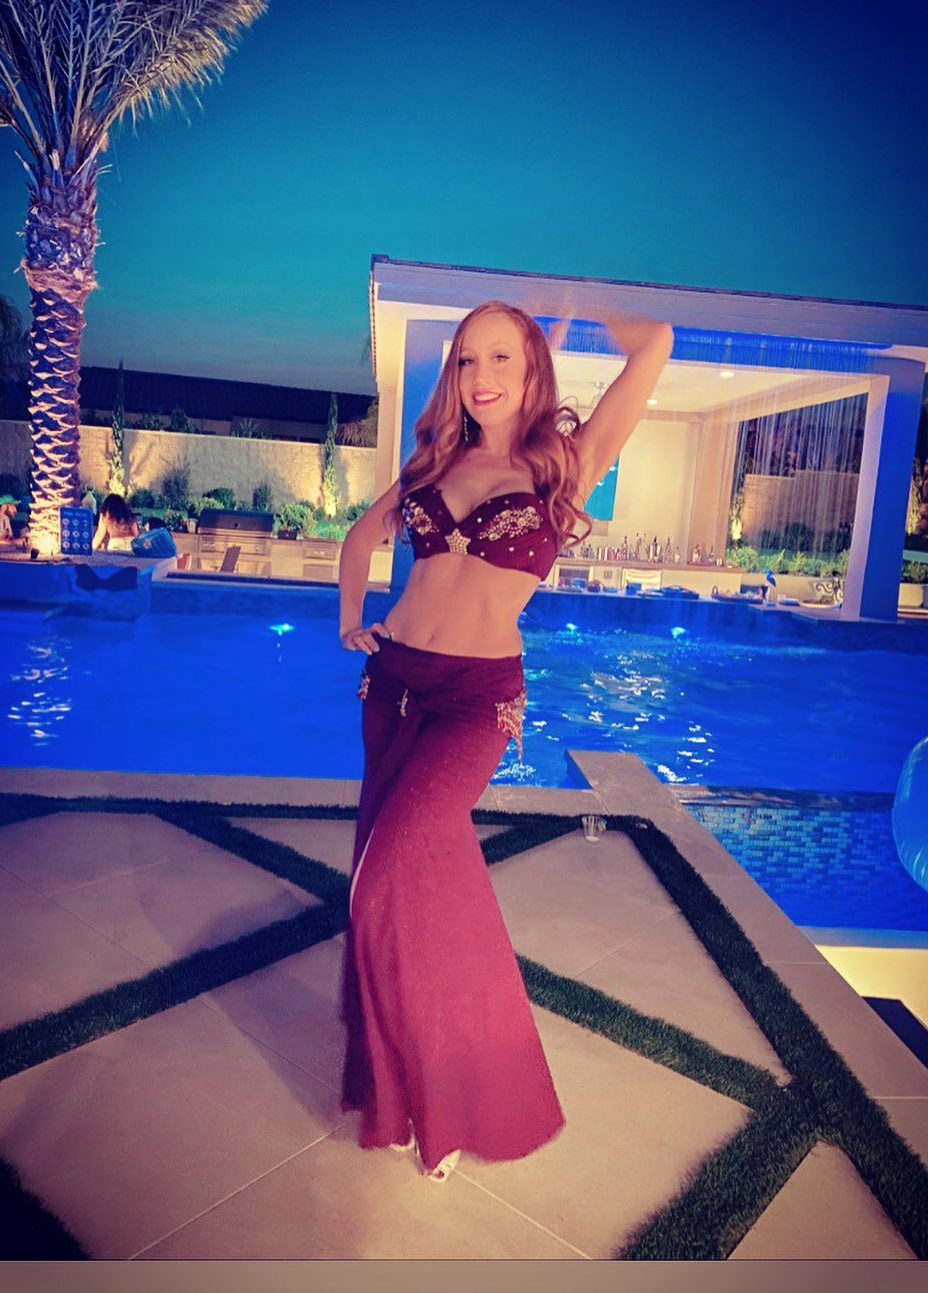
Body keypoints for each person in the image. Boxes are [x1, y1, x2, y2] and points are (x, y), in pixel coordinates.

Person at [336, 299, 673, 1183]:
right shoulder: (434, 462)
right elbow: (360, 538)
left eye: (500, 358)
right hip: (393, 686)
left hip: (475, 702)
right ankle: (397, 1089)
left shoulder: (564, 463)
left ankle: (452, 1088)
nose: (479, 377)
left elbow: (657, 345)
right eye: (466, 360)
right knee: (408, 888)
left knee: (384, 881)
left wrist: (584, 300)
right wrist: (349, 618)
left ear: (530, 372)